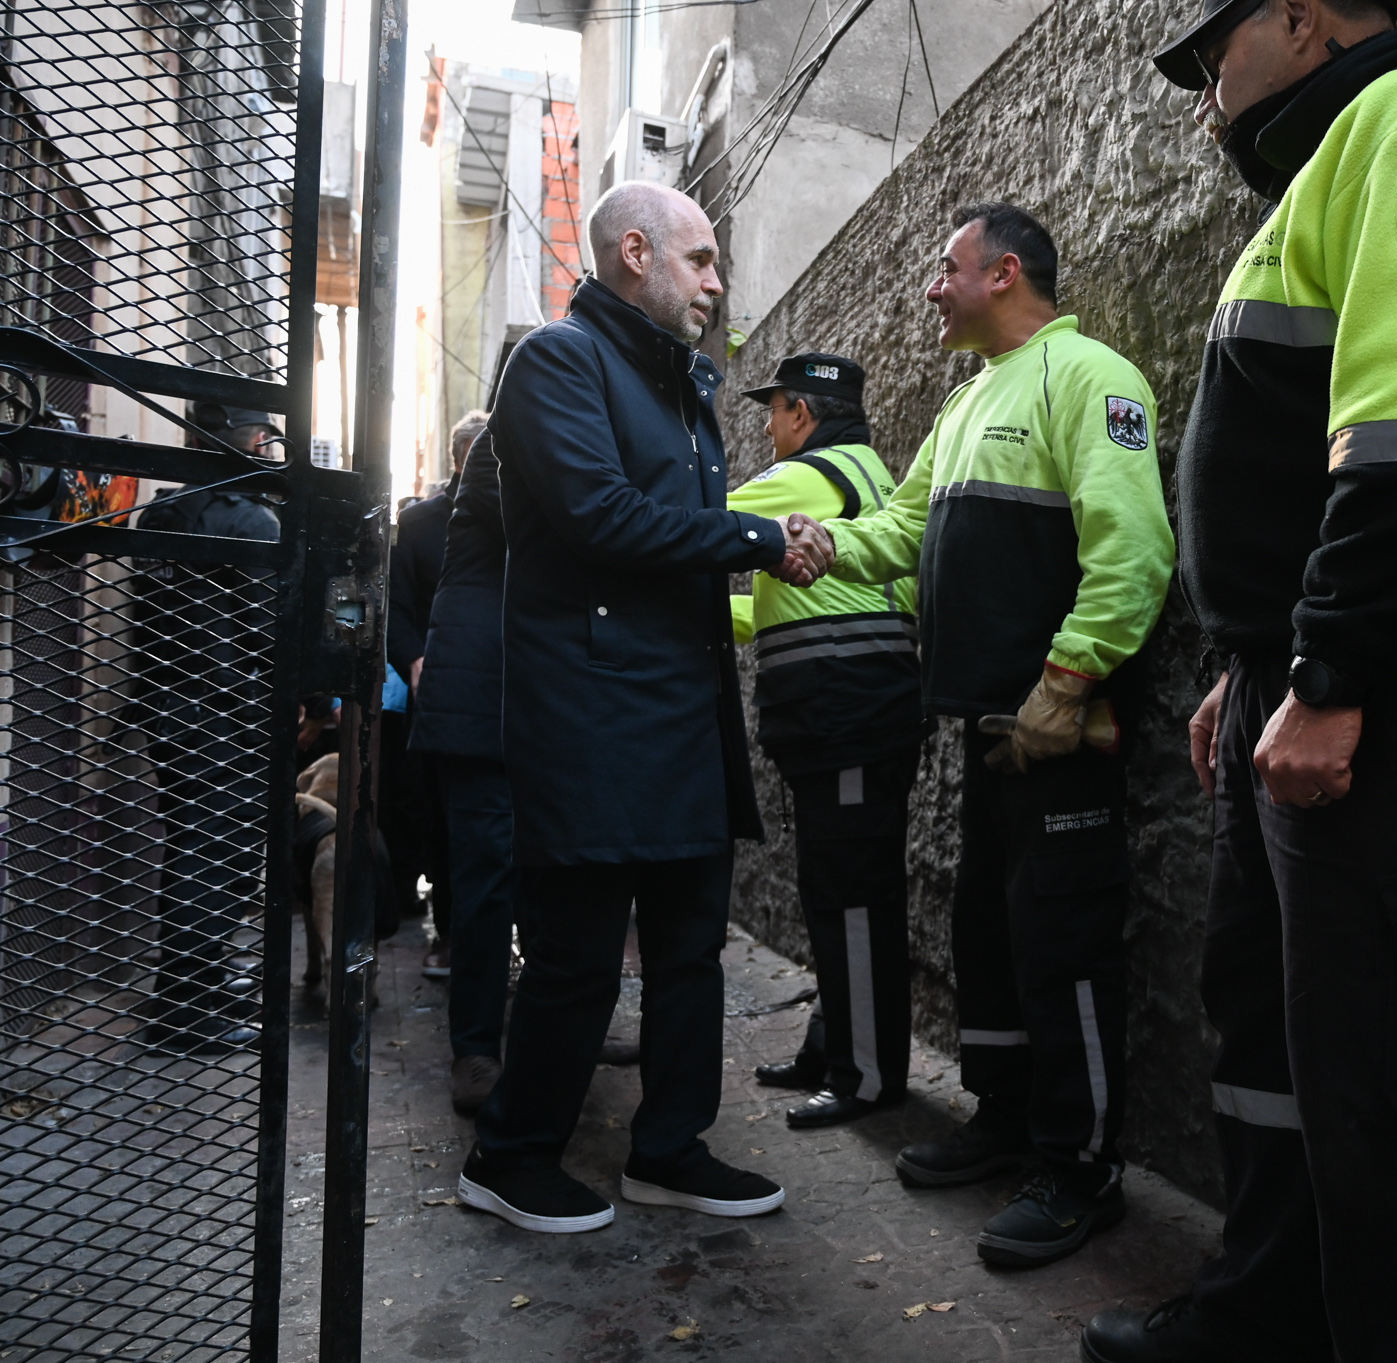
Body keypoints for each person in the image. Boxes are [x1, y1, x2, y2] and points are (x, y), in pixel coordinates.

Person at [1082, 3, 1397, 1360]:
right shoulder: (1333, 164)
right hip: (1301, 674)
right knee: (1274, 1032)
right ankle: (1269, 1312)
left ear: (1298, 17)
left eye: (1207, 60)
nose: (1202, 97)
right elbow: (1295, 462)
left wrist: (1336, 670)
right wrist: (1256, 666)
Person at [794, 203, 1174, 1267]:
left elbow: (1134, 551)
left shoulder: (1089, 376)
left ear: (1004, 273)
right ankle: (1007, 1116)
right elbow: (905, 527)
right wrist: (828, 543)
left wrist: (1067, 683)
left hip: (1060, 730)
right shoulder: (968, 400)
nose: (931, 287)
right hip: (993, 731)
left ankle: (1082, 1168)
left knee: (1064, 944)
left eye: (946, 267)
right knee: (991, 934)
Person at [453, 179, 831, 1234]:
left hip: (682, 718)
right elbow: (601, 516)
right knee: (576, 958)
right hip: (591, 718)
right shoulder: (558, 361)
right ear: (634, 251)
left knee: (686, 951)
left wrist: (766, 545)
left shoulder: (681, 389)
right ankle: (510, 1155)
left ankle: (669, 1147)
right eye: (701, 259)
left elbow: (674, 544)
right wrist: (761, 538)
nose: (717, 282)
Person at [727, 352, 924, 1129]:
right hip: (855, 709)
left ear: (801, 414)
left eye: (773, 411)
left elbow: (693, 523)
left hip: (846, 712)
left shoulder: (805, 478)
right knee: (837, 885)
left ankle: (866, 1075)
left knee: (853, 895)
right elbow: (788, 607)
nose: (768, 429)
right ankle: (830, 1043)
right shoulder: (869, 473)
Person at [131, 403, 281, 1054]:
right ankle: (186, 1012)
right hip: (224, 714)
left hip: (167, 707)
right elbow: (269, 628)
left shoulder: (163, 510)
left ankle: (197, 983)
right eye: (261, 434)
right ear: (244, 439)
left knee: (193, 846)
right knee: (218, 856)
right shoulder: (249, 520)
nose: (267, 446)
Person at [407, 416, 520, 1115]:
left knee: (557, 881)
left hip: (538, 710)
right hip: (477, 710)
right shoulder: (493, 466)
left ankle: (558, 1025)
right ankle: (476, 1049)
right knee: (484, 888)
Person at [388, 413, 486, 979]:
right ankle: (450, 933)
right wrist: (415, 659)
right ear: (458, 461)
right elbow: (396, 610)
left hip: (502, 690)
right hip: (438, 696)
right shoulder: (420, 524)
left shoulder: (521, 516)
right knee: (442, 819)